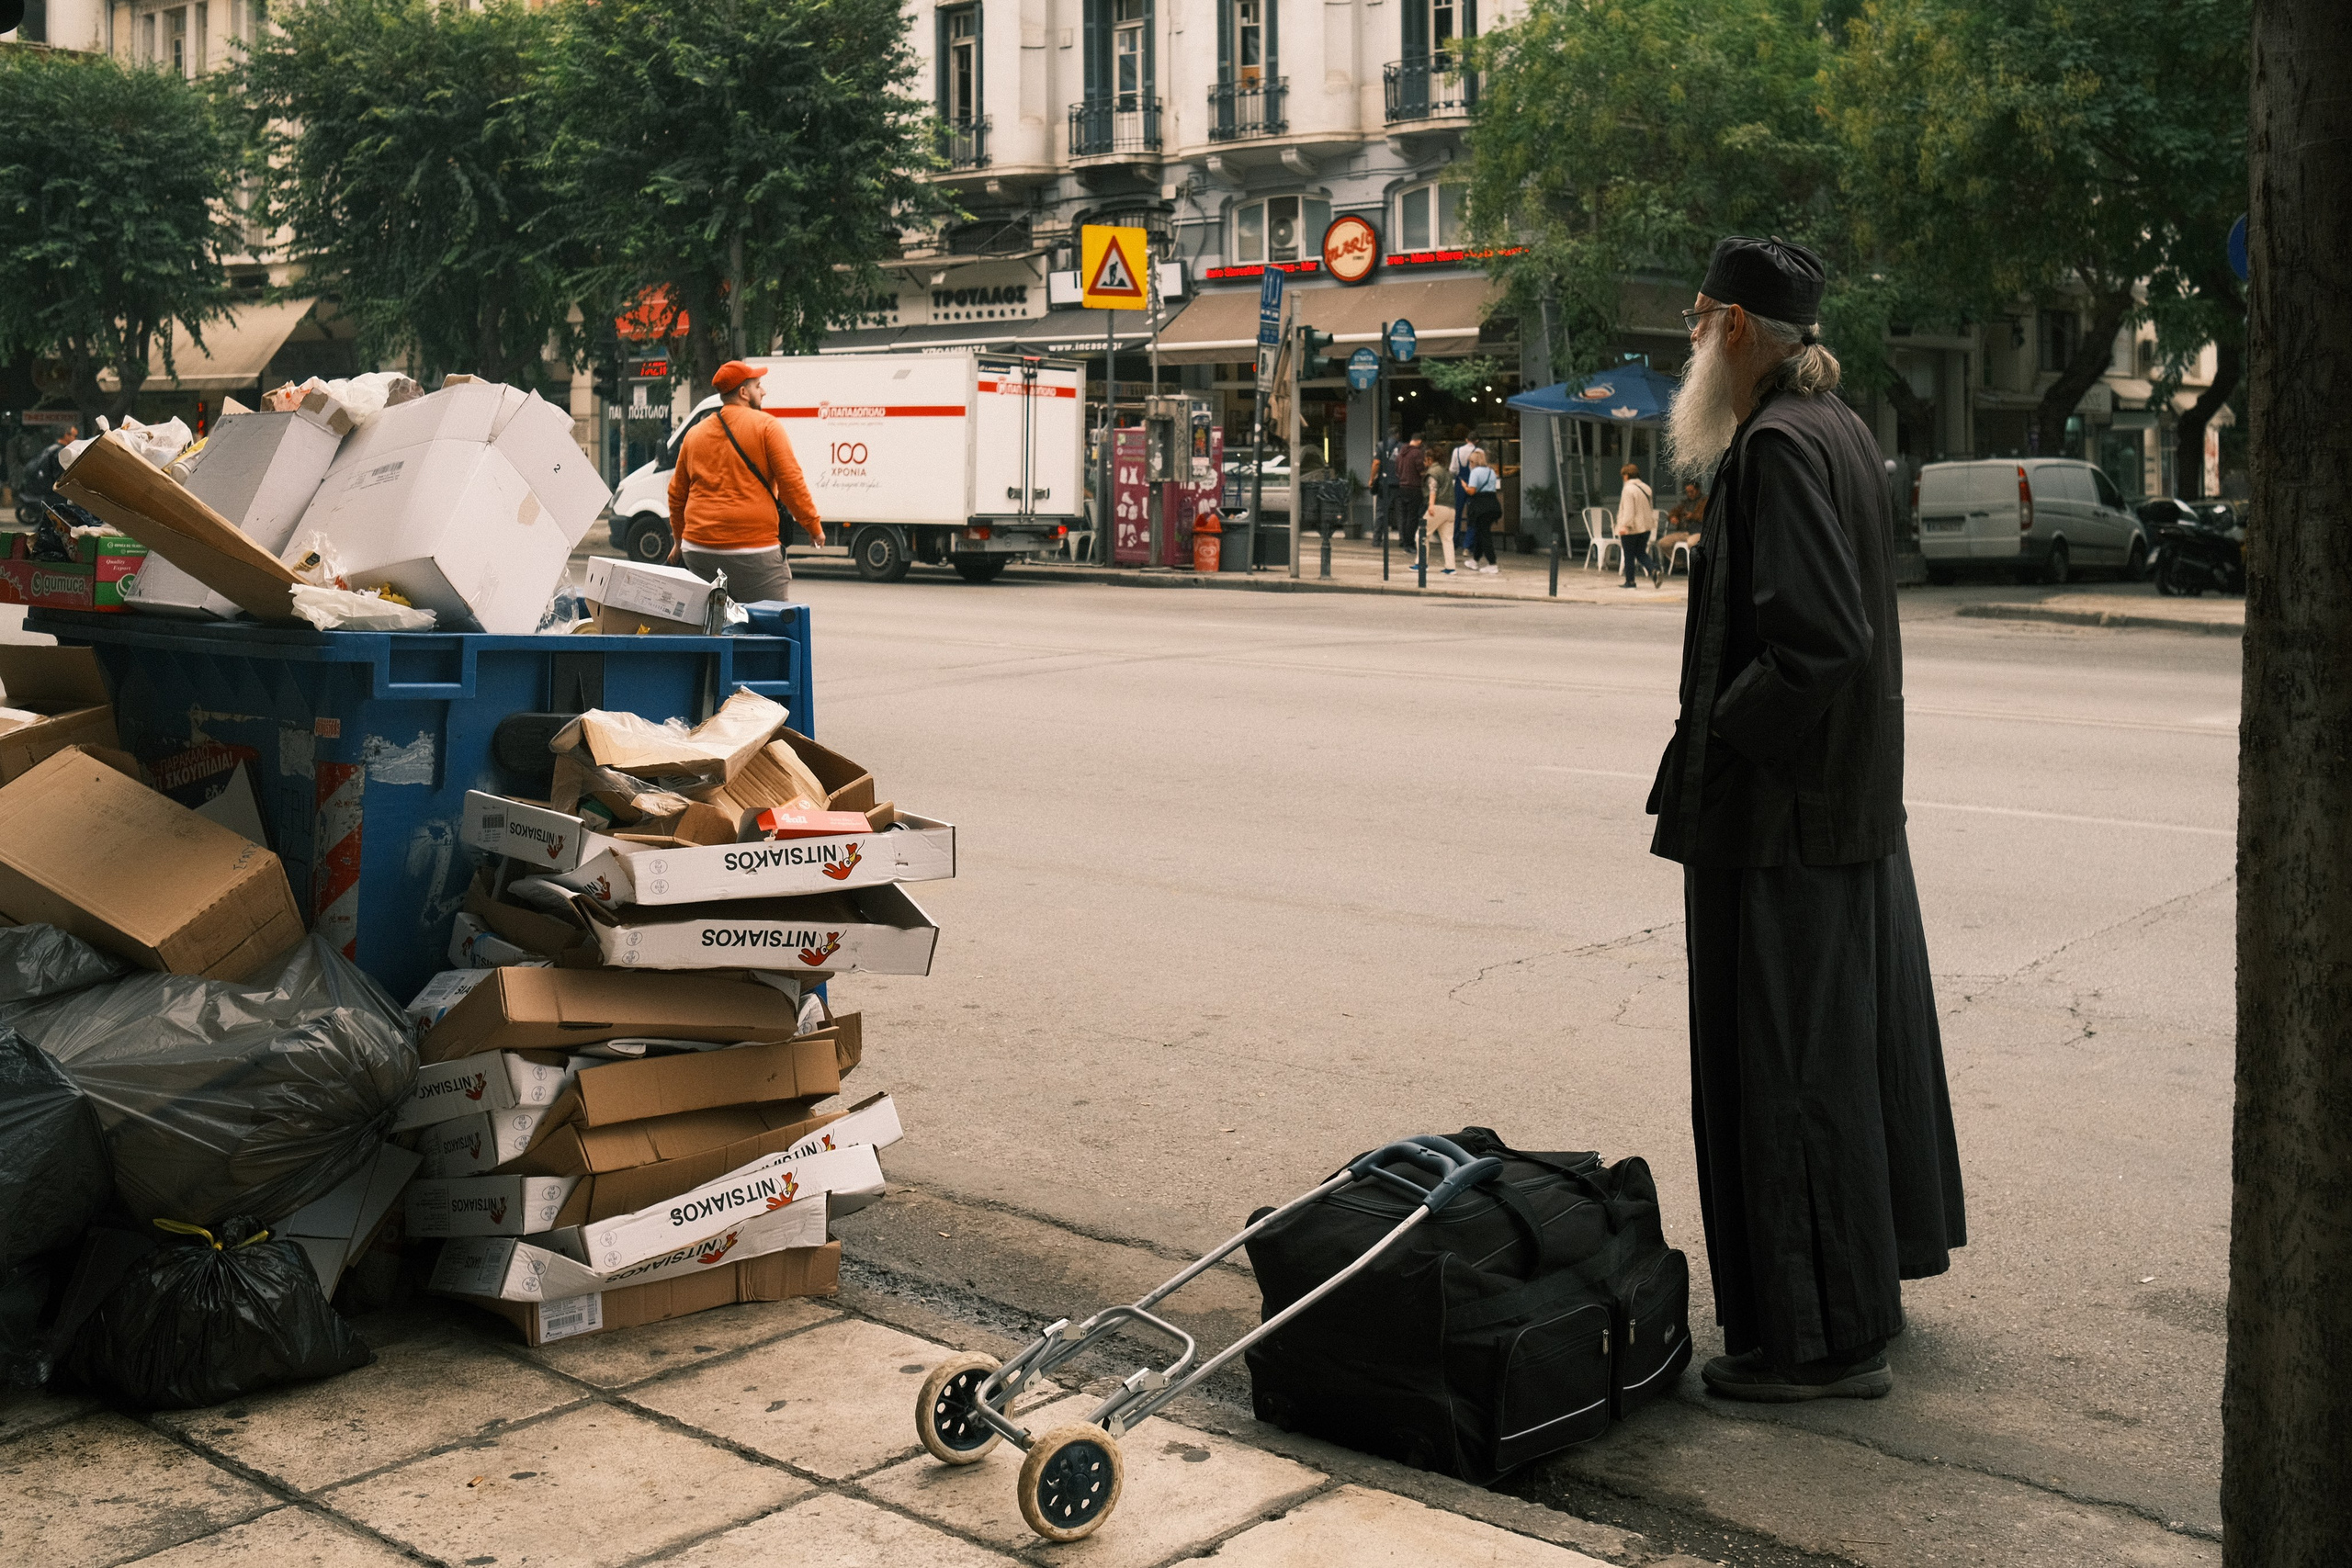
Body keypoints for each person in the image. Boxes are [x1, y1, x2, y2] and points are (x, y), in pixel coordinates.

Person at [1646, 235, 1965, 1403]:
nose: (1690, 338)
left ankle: (1820, 1344)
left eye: (1698, 317)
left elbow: (1820, 641)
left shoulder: (1777, 444)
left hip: (1783, 820)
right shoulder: (1834, 426)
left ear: (1736, 328)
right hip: (1840, 811)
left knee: (1787, 1076)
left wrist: (1726, 732)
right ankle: (1855, 1295)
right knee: (1840, 1060)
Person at [667, 360, 822, 603]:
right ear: (743, 392)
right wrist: (813, 526)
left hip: (698, 550)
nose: (763, 391)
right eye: (758, 386)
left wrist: (678, 542)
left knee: (711, 619)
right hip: (753, 549)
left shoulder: (694, 434)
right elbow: (791, 483)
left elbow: (677, 494)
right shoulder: (767, 426)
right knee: (771, 620)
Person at [1615, 461, 1658, 588]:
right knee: (1640, 552)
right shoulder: (1646, 488)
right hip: (1646, 527)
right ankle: (1653, 570)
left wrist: (1624, 526)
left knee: (1629, 555)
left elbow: (1629, 511)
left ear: (1626, 475)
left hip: (1632, 528)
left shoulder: (1628, 489)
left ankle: (1630, 581)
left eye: (1623, 475)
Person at [1461, 448, 1503, 573]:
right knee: (1481, 533)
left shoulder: (1475, 472)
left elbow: (1472, 491)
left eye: (1470, 462)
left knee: (1484, 535)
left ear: (1473, 462)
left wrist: (1465, 487)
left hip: (1480, 506)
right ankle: (1475, 560)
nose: (1469, 464)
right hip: (1493, 504)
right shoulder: (1491, 471)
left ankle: (1492, 563)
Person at [1653, 480, 1704, 572]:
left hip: (1698, 531)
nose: (1689, 494)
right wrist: (1673, 517)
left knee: (1691, 543)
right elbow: (1674, 511)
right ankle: (1680, 564)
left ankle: (1695, 566)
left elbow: (1706, 516)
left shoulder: (1705, 501)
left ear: (1698, 490)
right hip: (1684, 531)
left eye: (1692, 491)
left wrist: (1693, 516)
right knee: (1663, 543)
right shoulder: (1685, 503)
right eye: (1687, 492)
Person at [1372, 423, 1409, 546]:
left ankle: (1377, 540)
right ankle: (1403, 540)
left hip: (1384, 484)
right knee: (1401, 513)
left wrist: (1371, 479)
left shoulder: (1380, 446)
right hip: (1399, 484)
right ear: (1397, 435)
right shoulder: (1403, 447)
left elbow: (1376, 463)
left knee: (1381, 512)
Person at [1420, 463, 1457, 576]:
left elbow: (1433, 488)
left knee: (1421, 534)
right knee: (1447, 539)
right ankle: (1450, 567)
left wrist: (1431, 505)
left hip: (1438, 507)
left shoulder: (1433, 472)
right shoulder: (1446, 471)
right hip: (1451, 508)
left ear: (1430, 459)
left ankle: (1421, 563)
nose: (1424, 462)